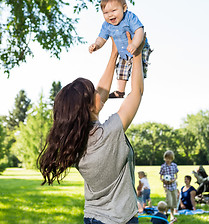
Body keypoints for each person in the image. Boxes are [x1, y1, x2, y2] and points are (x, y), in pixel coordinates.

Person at [38, 32, 146, 224]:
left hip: (93, 218)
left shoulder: (75, 143)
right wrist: (137, 54)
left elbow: (100, 96)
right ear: (88, 107)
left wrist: (114, 54)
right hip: (120, 220)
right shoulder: (110, 134)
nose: (100, 92)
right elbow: (136, 92)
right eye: (94, 92)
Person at [89, 0, 152, 98]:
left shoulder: (130, 17)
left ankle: (136, 90)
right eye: (106, 13)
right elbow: (102, 38)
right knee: (121, 70)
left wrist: (135, 45)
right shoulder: (106, 25)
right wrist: (96, 45)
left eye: (113, 10)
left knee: (138, 69)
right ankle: (120, 91)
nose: (110, 15)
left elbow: (139, 30)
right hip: (124, 53)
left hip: (139, 48)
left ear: (124, 8)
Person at [159, 150, 179, 221]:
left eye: (169, 158)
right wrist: (164, 180)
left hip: (173, 186)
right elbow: (160, 177)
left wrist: (173, 180)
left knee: (174, 202)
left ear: (172, 159)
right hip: (167, 187)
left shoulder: (174, 165)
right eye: (166, 158)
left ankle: (172, 215)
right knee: (169, 202)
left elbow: (176, 176)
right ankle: (165, 214)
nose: (168, 160)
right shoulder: (163, 166)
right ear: (164, 158)